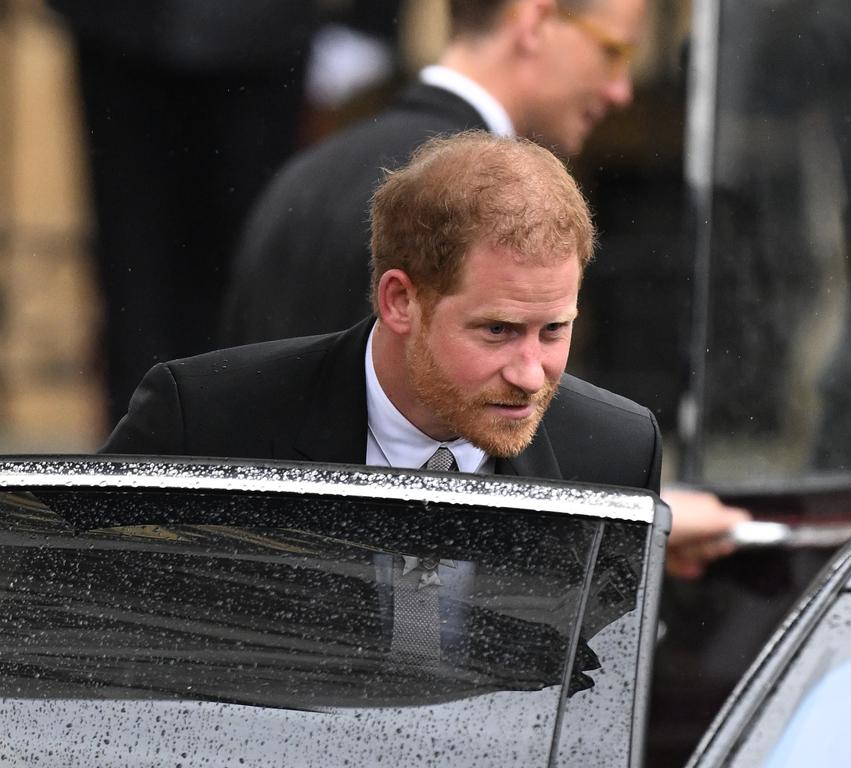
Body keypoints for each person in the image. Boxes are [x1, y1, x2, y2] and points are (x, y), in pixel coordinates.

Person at [104, 133, 660, 495]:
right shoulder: (204, 424)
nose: (530, 374)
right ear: (400, 301)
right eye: (497, 330)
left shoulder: (617, 454)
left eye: (554, 330)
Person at [220, 0, 644, 346]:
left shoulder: (306, 173)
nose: (621, 91)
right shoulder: (487, 203)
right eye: (613, 51)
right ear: (534, 22)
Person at [48, 0, 316, 426]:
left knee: (248, 267)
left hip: (264, 35)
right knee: (131, 268)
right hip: (120, 32)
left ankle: (238, 450)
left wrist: (369, 28)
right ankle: (135, 462)